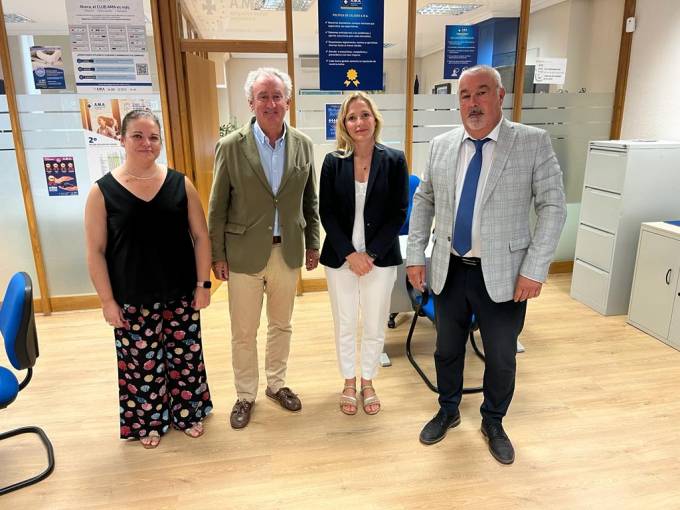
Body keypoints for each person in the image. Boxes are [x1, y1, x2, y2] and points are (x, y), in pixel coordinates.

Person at [406, 65, 566, 464]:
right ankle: (448, 409)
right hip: (449, 268)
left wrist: (534, 268)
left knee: (501, 356)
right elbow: (424, 201)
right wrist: (415, 256)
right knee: (446, 349)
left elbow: (553, 207)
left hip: (505, 275)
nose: (473, 103)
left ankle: (493, 420)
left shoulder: (531, 143)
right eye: (465, 95)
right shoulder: (442, 145)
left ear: (500, 95)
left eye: (481, 92)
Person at [85, 109, 213, 449]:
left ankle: (189, 412)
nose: (147, 143)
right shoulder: (102, 191)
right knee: (142, 366)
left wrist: (203, 285)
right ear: (122, 140)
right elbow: (95, 251)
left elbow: (201, 236)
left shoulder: (180, 183)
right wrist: (107, 301)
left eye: (153, 137)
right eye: (138, 136)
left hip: (180, 292)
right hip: (131, 296)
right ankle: (149, 421)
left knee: (185, 359)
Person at [207, 67, 320, 429]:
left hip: (287, 251)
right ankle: (245, 394)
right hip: (243, 254)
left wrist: (313, 242)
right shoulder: (230, 146)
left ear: (288, 101)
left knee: (281, 324)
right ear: (250, 103)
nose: (271, 103)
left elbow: (310, 201)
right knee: (243, 331)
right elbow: (217, 206)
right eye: (263, 97)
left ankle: (276, 384)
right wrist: (217, 254)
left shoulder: (303, 144)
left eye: (277, 96)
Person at [319, 91, 408, 415]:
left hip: (379, 260)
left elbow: (399, 212)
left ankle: (368, 381)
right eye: (352, 117)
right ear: (344, 124)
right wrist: (350, 254)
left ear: (375, 119)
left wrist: (370, 254)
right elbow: (326, 211)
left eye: (365, 115)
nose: (359, 122)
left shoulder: (394, 160)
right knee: (344, 322)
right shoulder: (333, 162)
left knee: (374, 322)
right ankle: (348, 381)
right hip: (340, 259)